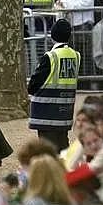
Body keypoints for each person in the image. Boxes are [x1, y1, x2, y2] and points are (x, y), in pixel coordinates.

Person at [28, 19, 80, 151]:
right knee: (63, 147)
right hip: (65, 112)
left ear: (52, 35)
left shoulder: (50, 56)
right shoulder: (76, 56)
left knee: (48, 151)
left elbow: (34, 84)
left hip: (47, 113)